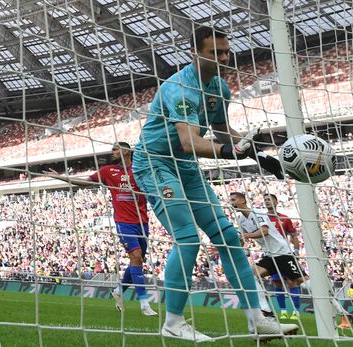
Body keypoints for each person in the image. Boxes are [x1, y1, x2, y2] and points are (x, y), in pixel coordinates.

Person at [132, 25, 296, 341]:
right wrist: (229, 151)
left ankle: (257, 320)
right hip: (156, 164)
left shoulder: (219, 87)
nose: (223, 58)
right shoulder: (179, 88)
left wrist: (258, 154)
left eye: (225, 51)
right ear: (194, 53)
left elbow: (223, 134)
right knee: (188, 238)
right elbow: (189, 141)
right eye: (214, 52)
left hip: (187, 169)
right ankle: (174, 322)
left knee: (230, 238)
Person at [44, 142, 157, 316]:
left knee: (138, 260)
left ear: (126, 151)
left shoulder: (140, 170)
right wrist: (61, 177)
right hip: (123, 222)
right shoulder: (108, 171)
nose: (112, 152)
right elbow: (84, 183)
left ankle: (119, 291)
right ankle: (144, 304)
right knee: (135, 256)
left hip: (142, 222)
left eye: (115, 149)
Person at [231, 192, 304, 320]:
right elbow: (242, 239)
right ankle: (267, 310)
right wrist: (232, 247)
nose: (231, 202)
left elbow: (264, 231)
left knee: (301, 281)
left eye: (234, 199)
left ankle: (332, 302)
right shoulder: (241, 219)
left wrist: (247, 236)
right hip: (269, 255)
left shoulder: (258, 213)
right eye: (230, 200)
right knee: (250, 275)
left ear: (243, 200)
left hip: (282, 252)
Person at [264, 193, 308, 320]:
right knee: (277, 283)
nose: (267, 201)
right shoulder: (262, 218)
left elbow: (294, 235)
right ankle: (283, 311)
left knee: (291, 281)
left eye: (269, 199)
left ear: (276, 202)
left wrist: (296, 250)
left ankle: (296, 311)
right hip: (271, 254)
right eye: (265, 200)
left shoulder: (285, 218)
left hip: (285, 253)